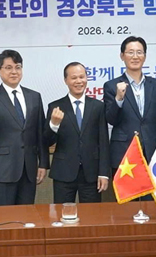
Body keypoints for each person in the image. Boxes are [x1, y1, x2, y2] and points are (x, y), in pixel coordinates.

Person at [0, 50, 48, 206]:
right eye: (8, 68)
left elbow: (40, 132)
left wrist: (43, 163)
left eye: (18, 67)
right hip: (3, 169)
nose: (14, 72)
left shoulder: (34, 96)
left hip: (29, 169)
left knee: (27, 215)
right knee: (2, 216)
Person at [44, 62, 110, 204]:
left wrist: (104, 173)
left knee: (92, 214)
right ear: (66, 80)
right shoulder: (55, 107)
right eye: (74, 78)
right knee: (63, 213)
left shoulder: (98, 106)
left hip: (91, 173)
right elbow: (46, 141)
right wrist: (54, 124)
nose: (79, 81)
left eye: (82, 77)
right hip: (63, 172)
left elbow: (103, 142)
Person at [103, 36, 156, 167]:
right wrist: (118, 98)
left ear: (145, 56)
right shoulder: (111, 86)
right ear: (122, 56)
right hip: (124, 152)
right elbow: (111, 119)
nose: (135, 57)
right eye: (130, 52)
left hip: (153, 151)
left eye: (139, 52)